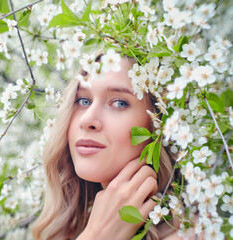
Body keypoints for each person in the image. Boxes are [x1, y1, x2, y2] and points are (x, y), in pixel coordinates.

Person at [32, 55, 183, 240]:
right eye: (83, 101)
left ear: (159, 124)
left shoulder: (193, 234)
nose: (87, 120)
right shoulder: (69, 231)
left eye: (119, 103)